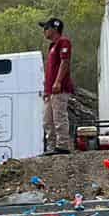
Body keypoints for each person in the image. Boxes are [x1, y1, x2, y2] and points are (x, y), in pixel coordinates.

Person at [41, 18, 74, 155]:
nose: (44, 31)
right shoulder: (52, 47)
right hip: (50, 90)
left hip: (59, 88)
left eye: (46, 28)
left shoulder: (63, 42)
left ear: (54, 28)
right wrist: (46, 89)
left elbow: (65, 62)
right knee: (48, 120)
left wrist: (58, 81)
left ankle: (63, 145)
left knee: (59, 116)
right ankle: (51, 146)